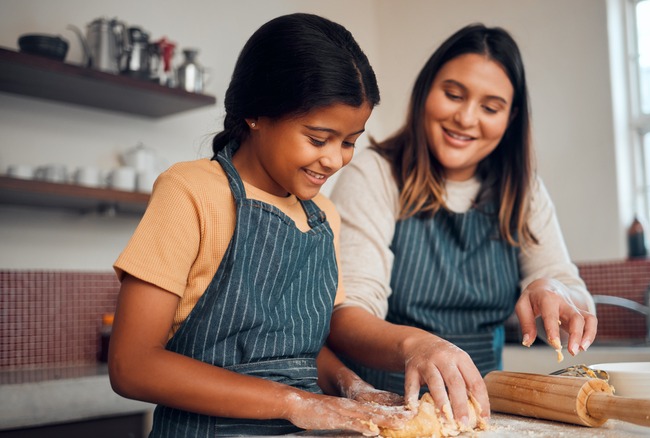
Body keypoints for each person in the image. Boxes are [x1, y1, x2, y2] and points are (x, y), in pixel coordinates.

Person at [109, 13, 409, 437]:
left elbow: (295, 352)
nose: (335, 159)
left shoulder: (323, 216)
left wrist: (350, 386)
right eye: (318, 138)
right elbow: (132, 365)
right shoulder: (190, 191)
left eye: (349, 142)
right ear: (255, 113)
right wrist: (294, 402)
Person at [327, 23, 598, 428]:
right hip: (390, 411)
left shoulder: (523, 191)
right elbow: (346, 317)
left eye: (490, 108)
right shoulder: (375, 175)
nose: (466, 118)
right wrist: (418, 345)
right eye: (453, 95)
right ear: (425, 92)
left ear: (511, 117)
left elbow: (573, 294)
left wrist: (554, 290)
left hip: (484, 414)